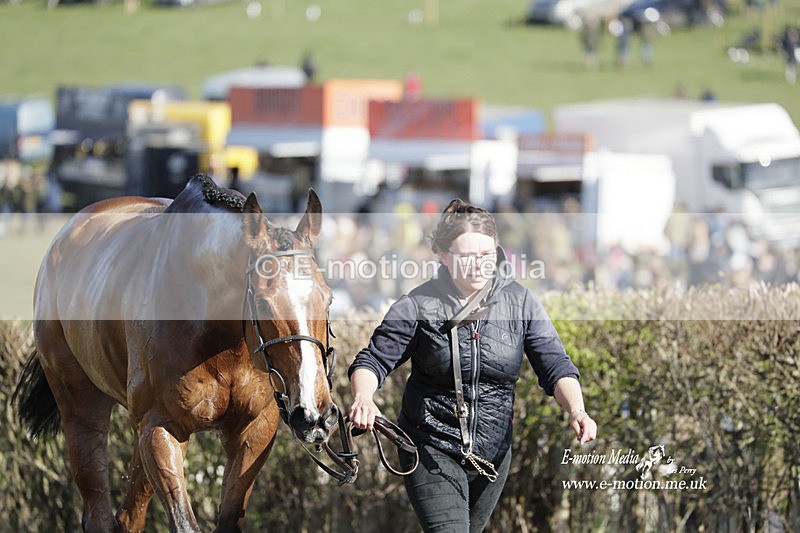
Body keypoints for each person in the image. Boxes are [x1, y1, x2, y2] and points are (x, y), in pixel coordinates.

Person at [348, 199, 597, 532]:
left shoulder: (520, 302)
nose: (479, 264)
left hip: (492, 455)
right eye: (467, 256)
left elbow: (555, 364)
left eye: (486, 254)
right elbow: (373, 360)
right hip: (430, 447)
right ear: (443, 256)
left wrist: (577, 410)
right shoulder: (417, 305)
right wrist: (364, 397)